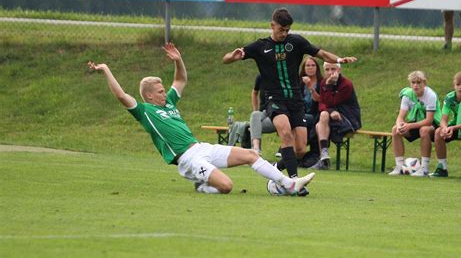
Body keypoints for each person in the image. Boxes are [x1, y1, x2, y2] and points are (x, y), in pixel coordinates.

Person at [88, 43, 314, 195]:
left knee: (250, 154)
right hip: (187, 159)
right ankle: (201, 185)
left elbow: (180, 80)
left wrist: (178, 60)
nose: (163, 91)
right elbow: (120, 95)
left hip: (200, 147)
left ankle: (285, 185)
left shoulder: (168, 102)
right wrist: (106, 69)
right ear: (148, 95)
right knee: (226, 187)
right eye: (158, 90)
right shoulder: (144, 111)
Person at [223, 7, 357, 181]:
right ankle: (293, 181)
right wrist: (233, 56)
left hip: (295, 100)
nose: (285, 33)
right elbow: (226, 59)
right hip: (275, 100)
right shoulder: (260, 46)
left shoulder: (296, 42)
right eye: (281, 30)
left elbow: (321, 53)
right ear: (272, 25)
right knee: (286, 135)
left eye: (288, 30)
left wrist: (339, 59)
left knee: (300, 148)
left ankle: (274, 170)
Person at [389, 71, 442, 177]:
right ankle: (399, 166)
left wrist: (409, 126)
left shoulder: (430, 95)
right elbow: (400, 117)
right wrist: (400, 125)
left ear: (424, 83)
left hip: (433, 123)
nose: (415, 85)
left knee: (424, 130)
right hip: (416, 121)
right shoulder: (407, 95)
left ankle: (424, 169)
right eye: (413, 82)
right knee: (395, 130)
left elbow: (429, 121)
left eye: (419, 82)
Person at [313, 62, 361, 169]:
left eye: (333, 69)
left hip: (349, 118)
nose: (330, 72)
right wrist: (330, 111)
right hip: (331, 116)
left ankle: (323, 159)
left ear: (339, 70)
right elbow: (321, 102)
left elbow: (331, 102)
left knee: (319, 125)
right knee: (323, 115)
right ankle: (324, 155)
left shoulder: (346, 84)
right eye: (327, 69)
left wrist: (328, 86)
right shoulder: (324, 83)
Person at [432, 72, 461, 179]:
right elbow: (443, 119)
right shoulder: (449, 97)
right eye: (457, 84)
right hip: (457, 125)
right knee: (438, 132)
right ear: (454, 85)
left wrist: (453, 128)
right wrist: (445, 128)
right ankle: (442, 168)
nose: (460, 87)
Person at [299, 56, 324, 167]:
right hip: (302, 115)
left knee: (305, 119)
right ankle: (294, 152)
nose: (310, 68)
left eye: (313, 65)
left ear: (317, 68)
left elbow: (320, 100)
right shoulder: (299, 83)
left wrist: (310, 86)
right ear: (303, 68)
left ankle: (312, 154)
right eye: (307, 65)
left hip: (316, 115)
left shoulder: (322, 83)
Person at [249, 74, 276, 155]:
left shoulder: (279, 76)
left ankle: (255, 150)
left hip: (276, 112)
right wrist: (255, 109)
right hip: (263, 112)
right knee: (254, 115)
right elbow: (254, 92)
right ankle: (256, 148)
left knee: (253, 125)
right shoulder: (261, 77)